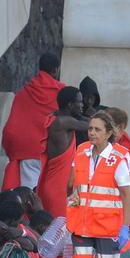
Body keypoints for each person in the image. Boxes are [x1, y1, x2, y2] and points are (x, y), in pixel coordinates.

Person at [65, 111, 130, 258]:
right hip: (81, 226)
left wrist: (125, 227)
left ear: (109, 133)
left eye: (97, 129)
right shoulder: (81, 151)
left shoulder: (119, 158)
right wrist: (72, 199)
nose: (92, 133)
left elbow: (126, 195)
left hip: (106, 227)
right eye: (90, 129)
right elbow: (73, 184)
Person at [1, 54, 65, 189]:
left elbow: (11, 128)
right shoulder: (63, 94)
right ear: (55, 70)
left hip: (27, 153)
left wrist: (12, 151)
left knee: (30, 197)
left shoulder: (23, 93)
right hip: (54, 154)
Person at [39, 86, 90, 220]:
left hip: (58, 186)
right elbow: (92, 126)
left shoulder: (60, 118)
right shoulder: (64, 122)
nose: (82, 105)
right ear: (70, 104)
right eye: (79, 102)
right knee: (59, 231)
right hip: (58, 189)